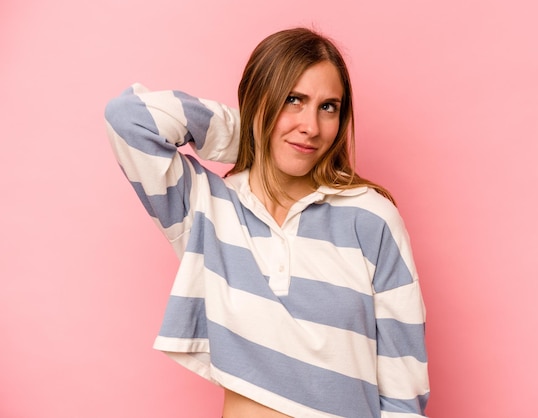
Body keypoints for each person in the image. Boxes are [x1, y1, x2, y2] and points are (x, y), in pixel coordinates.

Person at [105, 27, 429, 418]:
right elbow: (129, 118)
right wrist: (256, 133)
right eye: (293, 100)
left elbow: (403, 387)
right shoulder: (207, 208)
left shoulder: (372, 217)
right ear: (259, 101)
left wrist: (279, 126)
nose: (311, 126)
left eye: (328, 107)